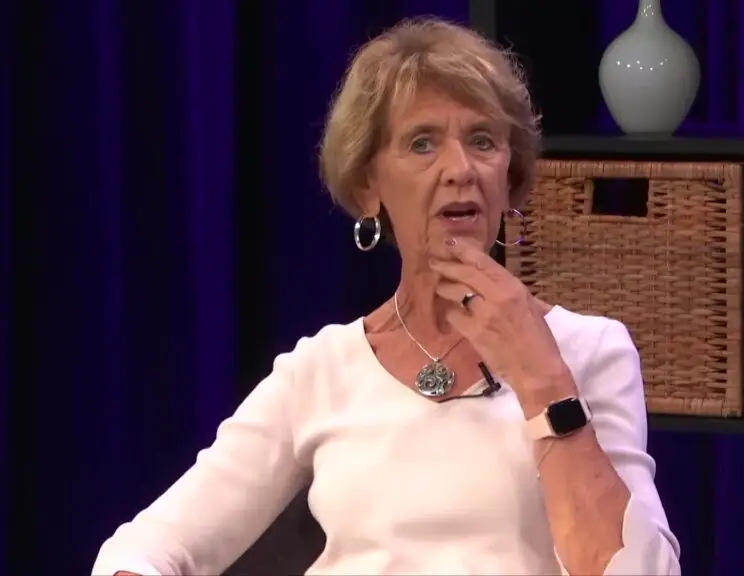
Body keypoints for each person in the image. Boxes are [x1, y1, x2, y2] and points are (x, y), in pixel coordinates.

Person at [92, 17, 681, 576]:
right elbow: (146, 547)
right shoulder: (320, 371)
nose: (460, 169)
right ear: (368, 184)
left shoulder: (590, 352)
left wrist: (540, 375)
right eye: (423, 144)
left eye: (483, 140)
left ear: (510, 176)